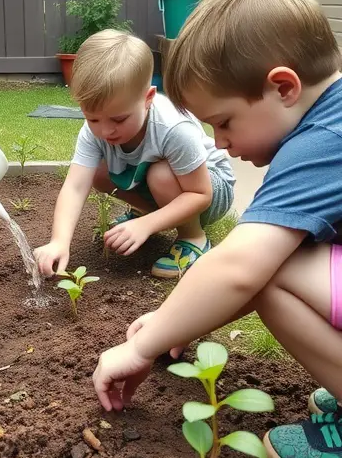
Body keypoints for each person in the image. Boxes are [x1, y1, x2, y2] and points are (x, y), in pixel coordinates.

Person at [92, 0, 342, 458]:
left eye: (224, 122)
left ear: (283, 87)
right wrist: (179, 321)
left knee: (271, 269)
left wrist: (144, 344)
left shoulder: (324, 142)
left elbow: (238, 269)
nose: (221, 143)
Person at [35, 29, 235, 279]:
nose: (105, 130)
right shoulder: (95, 131)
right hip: (166, 182)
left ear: (148, 98)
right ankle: (150, 212)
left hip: (210, 188)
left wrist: (146, 226)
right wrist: (59, 241)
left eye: (119, 119)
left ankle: (192, 236)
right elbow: (75, 187)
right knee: (97, 172)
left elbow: (200, 194)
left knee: (160, 175)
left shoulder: (173, 128)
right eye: (93, 118)